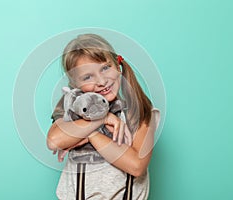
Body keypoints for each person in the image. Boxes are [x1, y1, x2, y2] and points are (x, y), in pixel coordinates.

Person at [47, 33, 160, 200]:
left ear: (118, 66)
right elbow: (54, 140)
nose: (101, 81)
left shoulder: (139, 111)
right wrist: (102, 119)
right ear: (75, 85)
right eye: (87, 77)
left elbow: (136, 165)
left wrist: (90, 134)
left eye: (105, 68)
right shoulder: (73, 110)